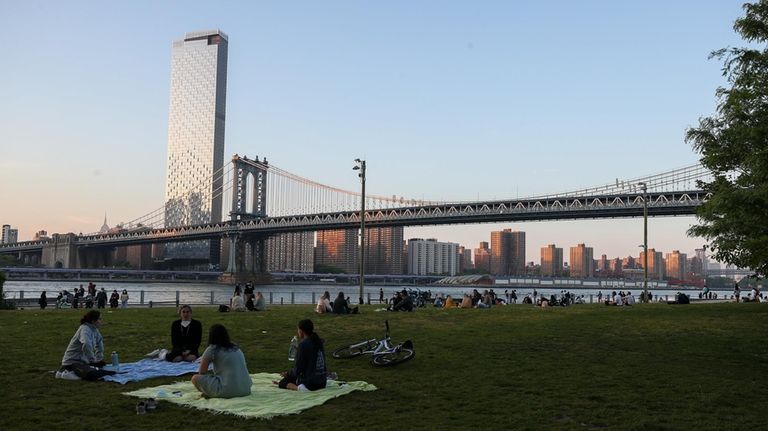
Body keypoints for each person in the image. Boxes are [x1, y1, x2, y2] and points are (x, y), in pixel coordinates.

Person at [191, 324, 252, 399]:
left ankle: (209, 393)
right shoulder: (236, 348)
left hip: (228, 390)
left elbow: (202, 372)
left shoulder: (212, 349)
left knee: (195, 378)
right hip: (246, 389)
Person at [58, 310, 114, 380]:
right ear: (93, 321)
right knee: (94, 375)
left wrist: (99, 359)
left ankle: (72, 373)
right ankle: (66, 372)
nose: (101, 321)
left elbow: (100, 344)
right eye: (99, 319)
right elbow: (86, 344)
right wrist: (92, 361)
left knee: (103, 371)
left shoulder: (94, 330)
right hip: (72, 362)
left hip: (83, 362)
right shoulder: (84, 330)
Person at [274, 319, 327, 392]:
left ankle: (300, 388)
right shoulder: (318, 341)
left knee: (282, 383)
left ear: (301, 331)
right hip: (322, 382)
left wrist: (288, 374)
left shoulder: (303, 345)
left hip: (310, 383)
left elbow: (297, 369)